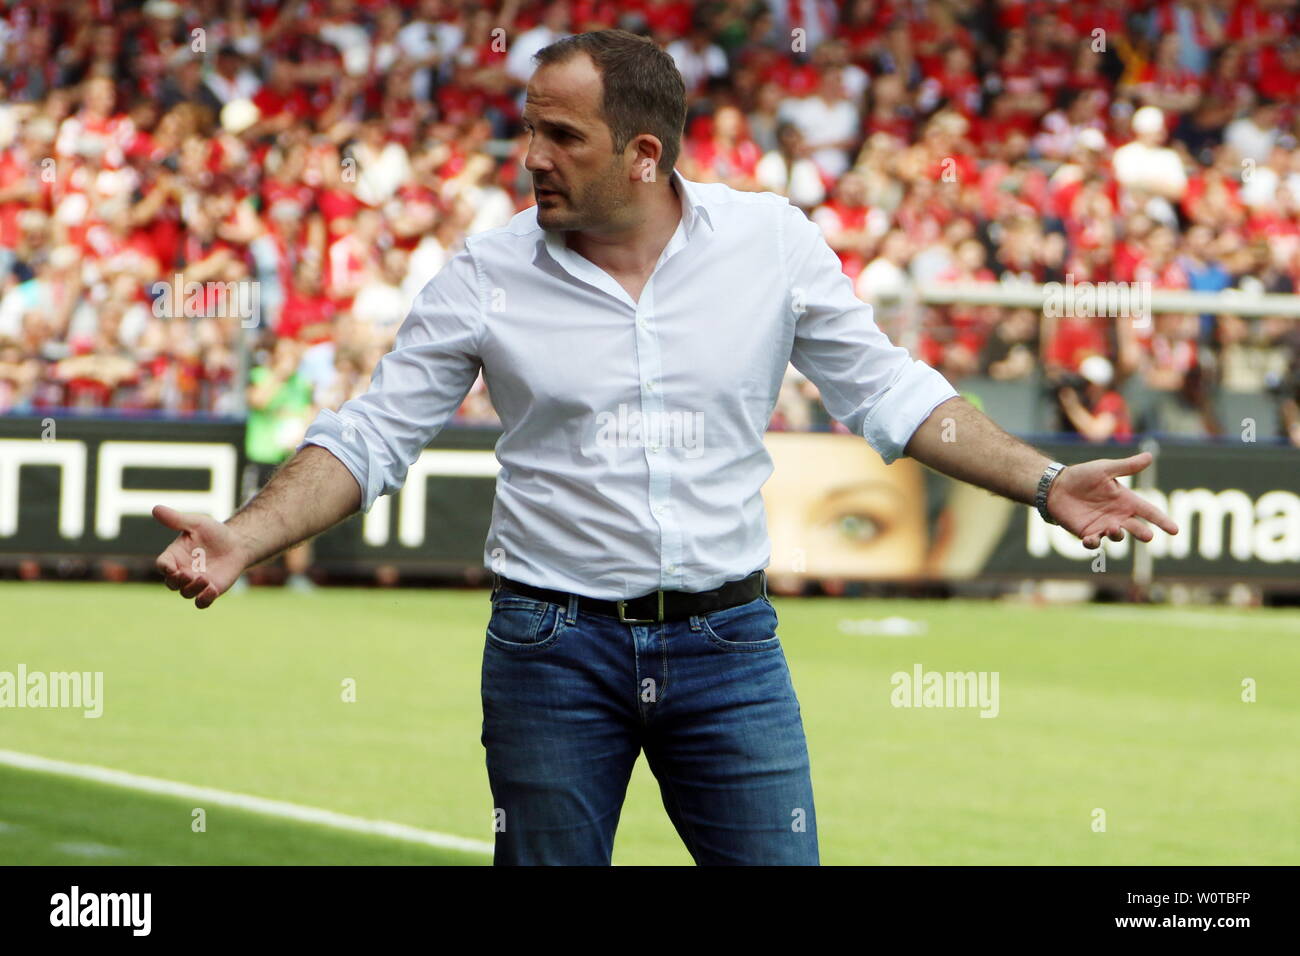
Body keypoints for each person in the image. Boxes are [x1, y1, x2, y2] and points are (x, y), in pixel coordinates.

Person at [152, 29, 1178, 866]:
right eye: (528, 130)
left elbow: (895, 392)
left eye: (562, 136)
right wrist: (247, 535)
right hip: (549, 648)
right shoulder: (486, 269)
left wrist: (1044, 480)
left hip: (729, 647)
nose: (531, 158)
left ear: (646, 154)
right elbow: (373, 433)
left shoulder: (770, 242)